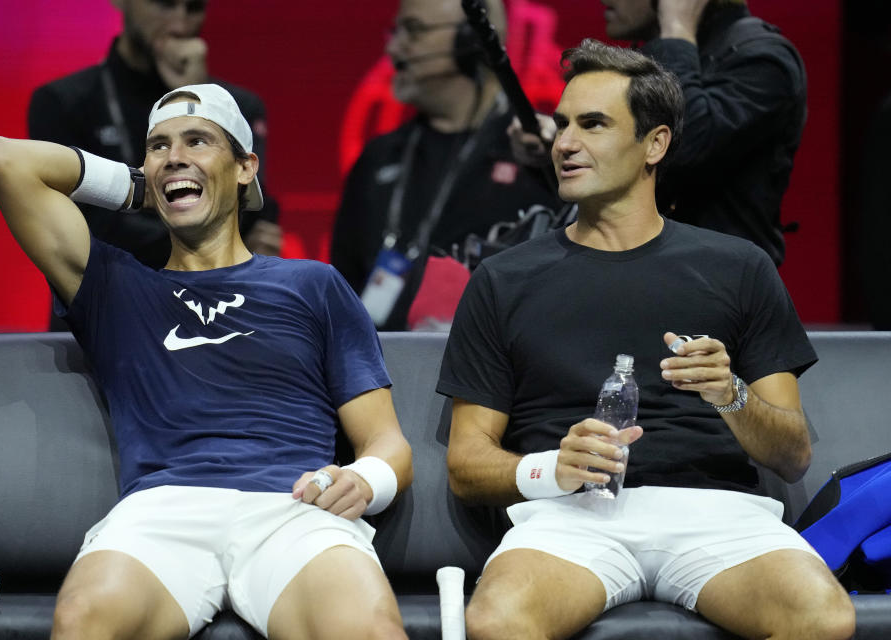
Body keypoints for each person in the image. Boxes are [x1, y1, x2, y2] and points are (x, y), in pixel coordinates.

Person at [439, 40, 854, 640]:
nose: (565, 143)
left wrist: (731, 393)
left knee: (823, 617)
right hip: (570, 517)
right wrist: (550, 467)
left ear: (654, 144)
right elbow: (466, 463)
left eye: (593, 124)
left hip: (719, 516)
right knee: (499, 620)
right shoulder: (503, 280)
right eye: (562, 125)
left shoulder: (738, 266)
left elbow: (792, 455)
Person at [0, 83, 412, 639]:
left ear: (245, 167)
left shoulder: (313, 284)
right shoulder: (114, 286)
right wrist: (148, 183)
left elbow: (390, 445)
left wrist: (363, 478)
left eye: (198, 141)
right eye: (158, 146)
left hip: (293, 510)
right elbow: (6, 159)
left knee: (368, 629)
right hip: (164, 512)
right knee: (85, 620)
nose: (175, 155)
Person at [512, 0, 806, 265]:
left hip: (717, 284)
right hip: (633, 269)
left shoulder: (762, 59)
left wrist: (676, 29)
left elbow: (683, 147)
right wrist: (556, 146)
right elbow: (630, 170)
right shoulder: (656, 50)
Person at [331, 0, 561, 331]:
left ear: (470, 40)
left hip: (487, 371)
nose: (393, 47)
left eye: (413, 30)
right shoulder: (379, 156)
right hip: (379, 365)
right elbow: (343, 282)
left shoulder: (536, 154)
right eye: (395, 31)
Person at [28, 0, 281, 271]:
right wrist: (213, 239)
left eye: (193, 8)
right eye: (164, 4)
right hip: (101, 301)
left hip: (209, 300)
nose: (180, 23)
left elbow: (254, 213)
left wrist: (196, 94)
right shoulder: (63, 103)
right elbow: (79, 237)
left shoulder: (240, 106)